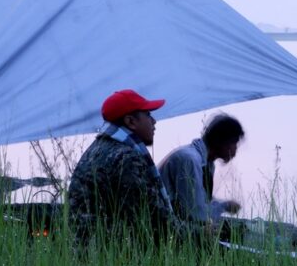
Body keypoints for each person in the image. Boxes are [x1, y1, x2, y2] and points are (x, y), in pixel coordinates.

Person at [67, 88, 198, 248]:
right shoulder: (126, 158)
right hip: (109, 256)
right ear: (131, 122)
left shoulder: (97, 148)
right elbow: (153, 222)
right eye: (148, 115)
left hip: (85, 250)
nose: (154, 121)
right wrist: (200, 234)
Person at [160, 113, 245, 230]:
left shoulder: (207, 163)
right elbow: (195, 212)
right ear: (219, 141)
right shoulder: (189, 159)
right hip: (165, 229)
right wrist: (224, 206)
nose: (235, 149)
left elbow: (201, 199)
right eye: (234, 143)